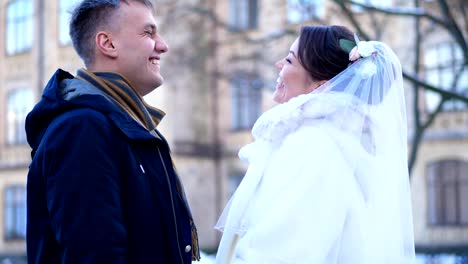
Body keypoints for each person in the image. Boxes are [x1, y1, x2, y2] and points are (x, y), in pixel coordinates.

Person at [215, 25, 415, 263]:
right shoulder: (335, 141)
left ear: (320, 84)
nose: (279, 64)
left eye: (289, 60)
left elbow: (279, 252)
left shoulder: (314, 145)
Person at [25, 0, 200, 263]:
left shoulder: (128, 127)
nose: (163, 46)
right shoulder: (82, 129)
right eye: (148, 33)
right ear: (107, 44)